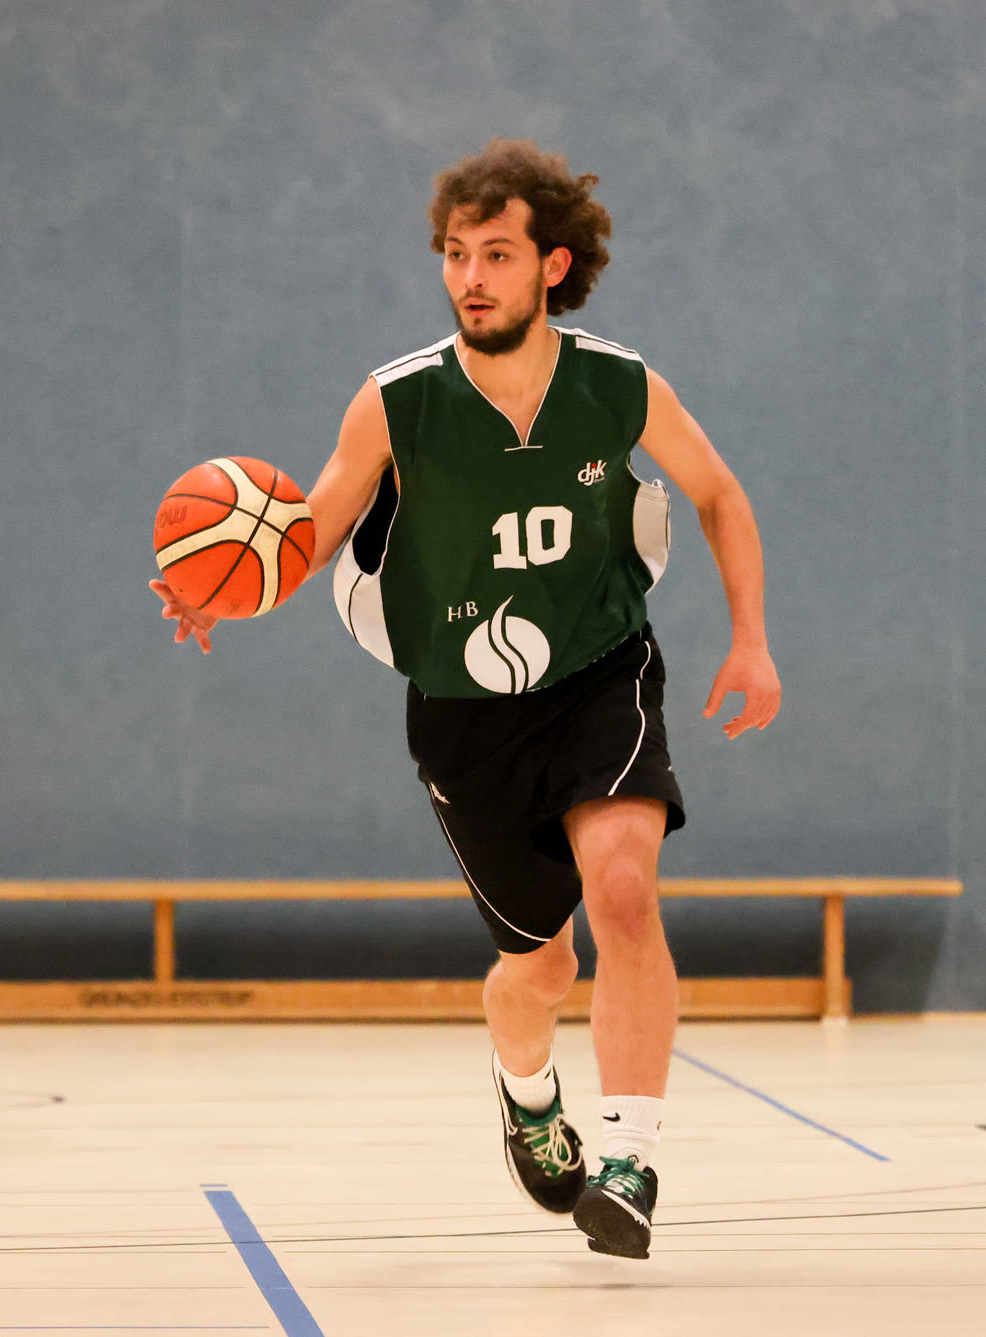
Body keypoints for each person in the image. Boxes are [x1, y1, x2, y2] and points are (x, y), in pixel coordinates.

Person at [152, 140, 781, 1260]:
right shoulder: (397, 401)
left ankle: (629, 1160)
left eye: (495, 254)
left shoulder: (617, 385)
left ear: (550, 264)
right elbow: (309, 534)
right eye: (454, 254)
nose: (469, 277)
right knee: (538, 967)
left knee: (624, 890)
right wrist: (225, 591)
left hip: (599, 673)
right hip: (463, 712)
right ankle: (528, 1097)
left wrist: (750, 640)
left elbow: (720, 493)